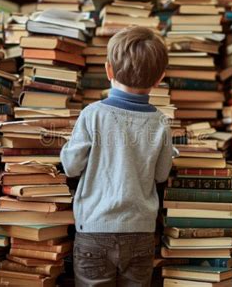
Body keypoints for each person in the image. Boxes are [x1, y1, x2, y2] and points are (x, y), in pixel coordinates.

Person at [60, 26, 174, 287]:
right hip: (141, 231)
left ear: (108, 70)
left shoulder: (92, 114)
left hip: (94, 230)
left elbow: (71, 167)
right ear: (159, 79)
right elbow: (161, 174)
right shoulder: (160, 122)